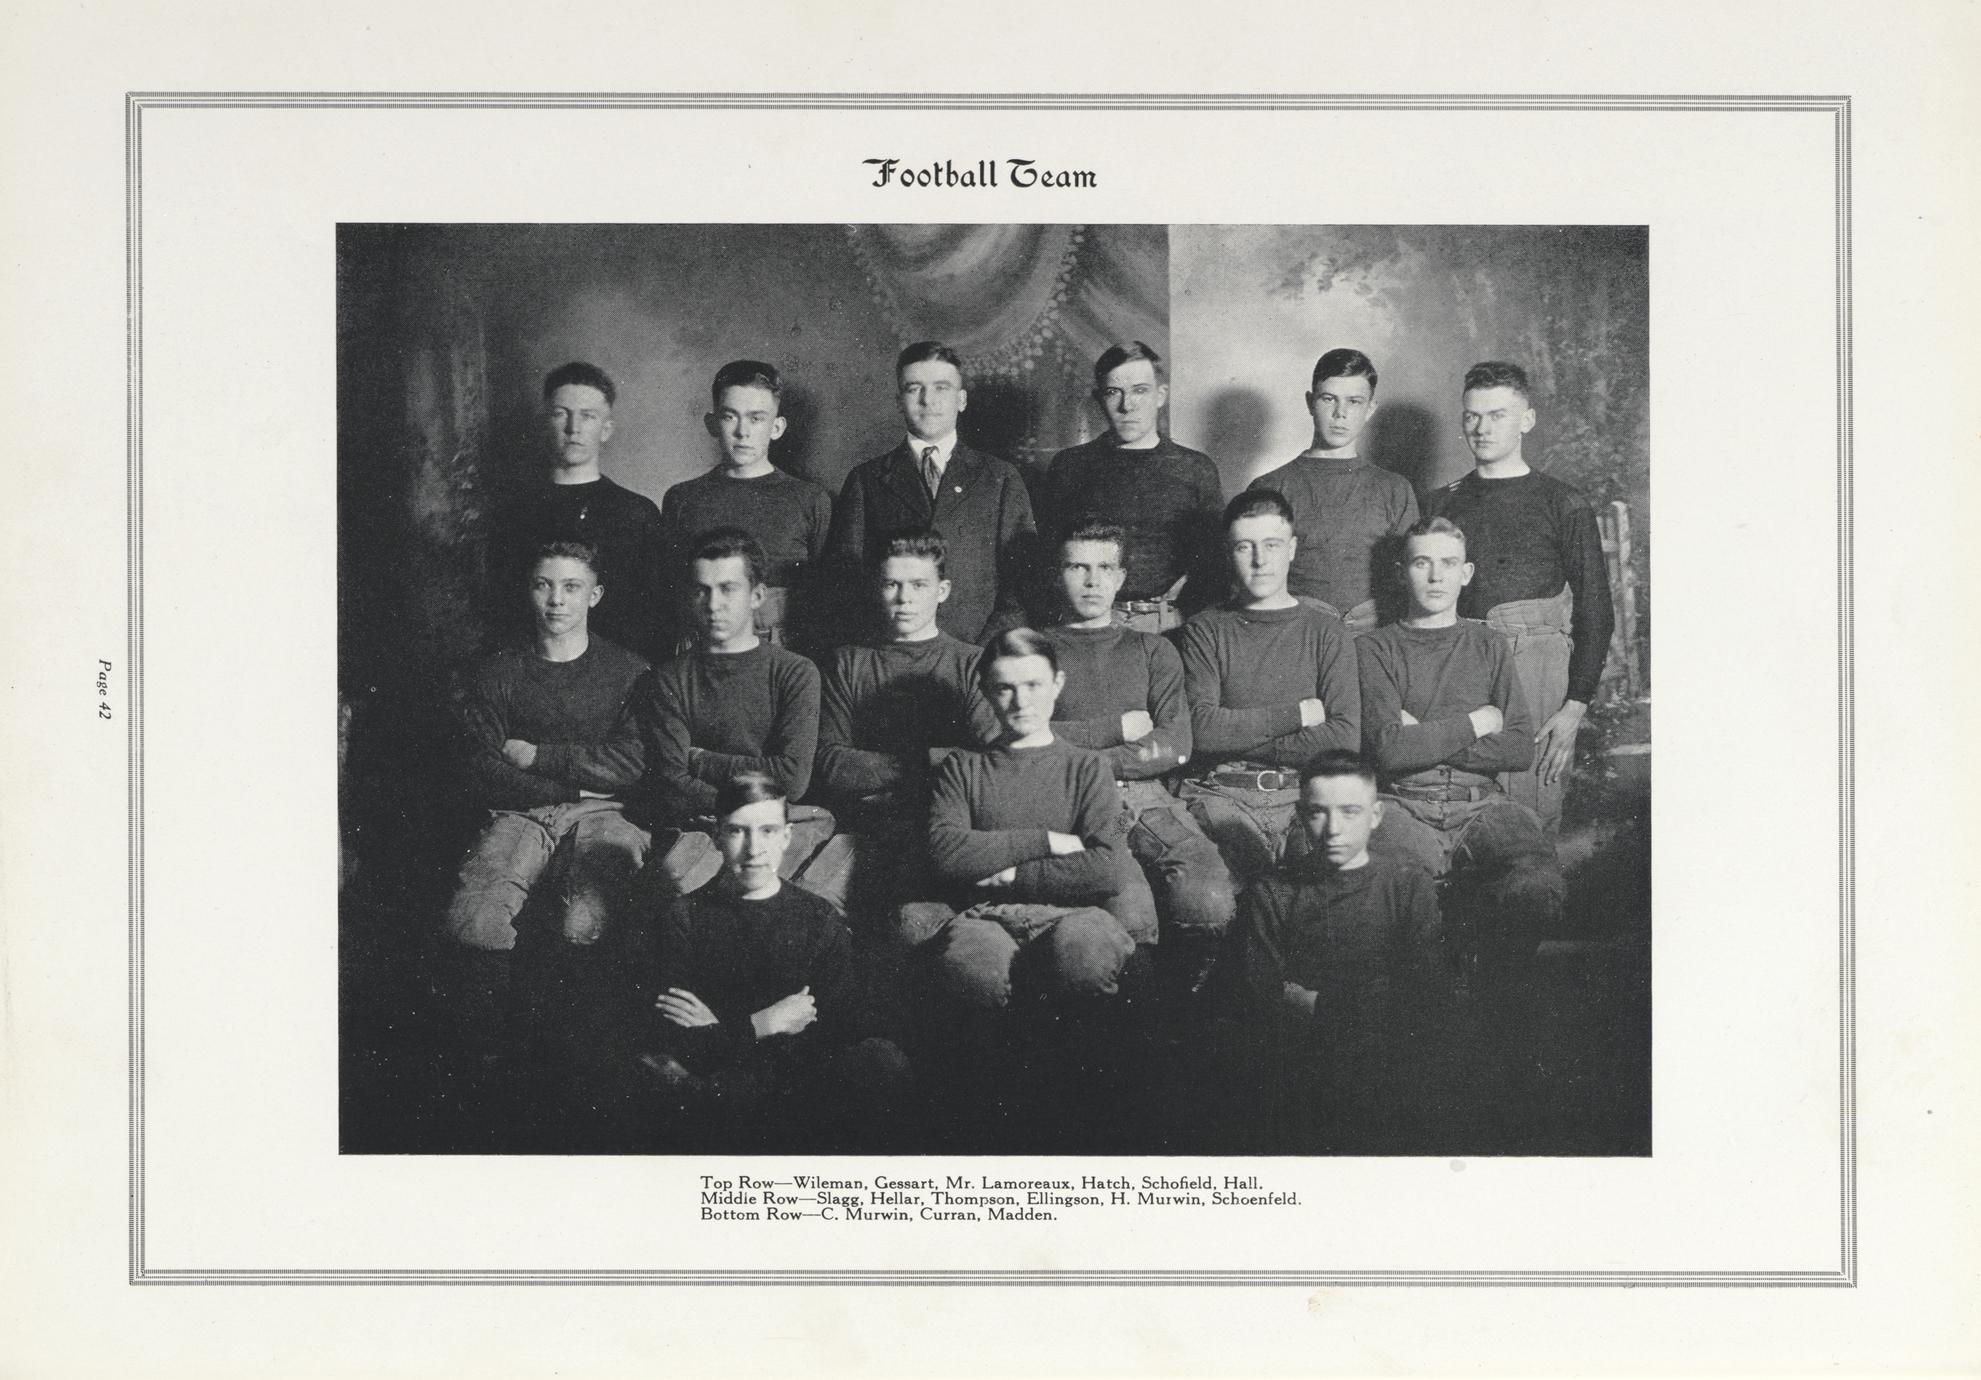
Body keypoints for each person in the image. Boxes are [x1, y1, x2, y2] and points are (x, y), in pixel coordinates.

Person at [632, 772, 910, 1152]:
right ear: (716, 836)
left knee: (880, 1062)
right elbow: (675, 1042)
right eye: (737, 831)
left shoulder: (817, 918)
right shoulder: (684, 917)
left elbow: (840, 1030)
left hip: (795, 1090)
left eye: (767, 831)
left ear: (786, 837)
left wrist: (720, 1031)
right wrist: (765, 1023)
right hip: (720, 1091)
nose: (754, 849)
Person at [1357, 516, 1566, 966]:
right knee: (1402, 896)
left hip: (1482, 803)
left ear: (1466, 573)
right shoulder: (1374, 648)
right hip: (1403, 802)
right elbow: (1390, 751)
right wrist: (1478, 721)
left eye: (1448, 563)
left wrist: (1421, 735)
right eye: (1422, 563)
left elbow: (1518, 748)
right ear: (1402, 572)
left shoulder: (1488, 643)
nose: (1436, 576)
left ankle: (1490, 991)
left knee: (1537, 884)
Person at [1042, 522, 1235, 993]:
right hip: (1073, 802)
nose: (1092, 581)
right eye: (1077, 567)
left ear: (1122, 577)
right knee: (1131, 914)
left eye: (1105, 568)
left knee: (1207, 896)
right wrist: (1115, 733)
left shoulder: (1152, 649)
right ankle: (1136, 1016)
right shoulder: (1032, 648)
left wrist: (1077, 752)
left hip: (1149, 799)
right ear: (1057, 574)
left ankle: (1182, 1009)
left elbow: (1176, 744)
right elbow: (1022, 742)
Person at [902, 629, 1140, 1009]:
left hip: (1076, 913)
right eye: (1005, 688)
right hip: (984, 915)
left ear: (1057, 684)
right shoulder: (962, 767)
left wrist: (1012, 874)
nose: (1021, 702)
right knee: (972, 971)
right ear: (985, 691)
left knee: (1085, 959)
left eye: (1033, 685)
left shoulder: (1090, 767)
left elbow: (1109, 865)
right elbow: (945, 853)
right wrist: (1048, 841)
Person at [1426, 361, 1615, 835]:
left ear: (1526, 420)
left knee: (1529, 821)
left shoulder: (1563, 503)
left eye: (1498, 415)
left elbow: (1596, 612)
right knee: (1448, 812)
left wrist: (1574, 708)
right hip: (1454, 672)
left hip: (1535, 679)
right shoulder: (1439, 504)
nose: (1482, 428)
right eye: (1473, 416)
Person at [1229, 752, 1446, 1152]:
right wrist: (1368, 1001)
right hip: (1301, 1075)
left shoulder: (1407, 884)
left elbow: (1424, 998)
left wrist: (1318, 1004)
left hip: (1388, 1073)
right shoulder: (1273, 892)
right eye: (1318, 813)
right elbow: (1261, 999)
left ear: (1375, 815)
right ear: (1300, 815)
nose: (1333, 829)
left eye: (1350, 812)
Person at [443, 541, 651, 956]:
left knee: (587, 924)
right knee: (474, 923)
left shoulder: (630, 671)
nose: (556, 600)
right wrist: (572, 792)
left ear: (595, 595)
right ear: (530, 590)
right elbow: (482, 769)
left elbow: (631, 762)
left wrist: (537, 756)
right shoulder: (497, 671)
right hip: (520, 811)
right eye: (544, 585)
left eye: (571, 587)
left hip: (606, 815)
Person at [803, 528, 1002, 917]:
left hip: (944, 830)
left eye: (918, 585)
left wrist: (884, 770)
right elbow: (829, 763)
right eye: (892, 584)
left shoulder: (971, 663)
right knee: (812, 907)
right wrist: (931, 762)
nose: (904, 598)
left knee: (915, 923)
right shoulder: (848, 662)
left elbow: (989, 763)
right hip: (863, 828)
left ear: (942, 590)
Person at [1174, 490, 1362, 881]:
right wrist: (1299, 715)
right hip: (1223, 795)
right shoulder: (1204, 630)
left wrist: (1238, 733)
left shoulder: (1326, 631)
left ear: (1291, 549)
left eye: (1272, 545)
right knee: (1214, 895)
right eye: (1245, 547)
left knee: (1331, 887)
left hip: (1304, 798)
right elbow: (1202, 730)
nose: (1260, 560)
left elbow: (1344, 739)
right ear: (1229, 553)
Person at [636, 528, 832, 897]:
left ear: (757, 595)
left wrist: (702, 760)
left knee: (794, 902)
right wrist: (747, 795)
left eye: (728, 589)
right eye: (702, 590)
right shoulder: (669, 678)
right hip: (701, 827)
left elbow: (792, 778)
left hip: (780, 825)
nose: (714, 604)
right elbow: (672, 783)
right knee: (678, 893)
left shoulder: (795, 672)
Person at [828, 341, 1036, 644]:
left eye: (941, 388)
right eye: (914, 389)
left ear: (961, 400)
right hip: (892, 650)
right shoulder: (866, 480)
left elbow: (1022, 584)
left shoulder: (1000, 478)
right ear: (899, 401)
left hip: (979, 651)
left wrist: (985, 652)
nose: (928, 400)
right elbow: (847, 581)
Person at [1041, 342, 1226, 631]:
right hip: (1090, 625)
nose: (1127, 406)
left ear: (1160, 395)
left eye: (1140, 390)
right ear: (1099, 399)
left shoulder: (1195, 468)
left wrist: (1182, 616)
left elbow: (1215, 565)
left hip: (1169, 627)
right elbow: (1048, 558)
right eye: (1114, 392)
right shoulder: (1070, 466)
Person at [492, 362, 667, 660]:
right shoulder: (514, 515)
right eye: (561, 414)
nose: (574, 428)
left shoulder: (637, 514)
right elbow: (502, 614)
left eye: (588, 416)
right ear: (546, 422)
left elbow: (656, 619)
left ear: (606, 429)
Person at [657, 360, 833, 648]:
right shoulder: (683, 498)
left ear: (777, 427)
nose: (742, 432)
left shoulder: (810, 499)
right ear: (712, 423)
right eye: (730, 417)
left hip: (783, 654)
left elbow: (824, 598)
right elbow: (673, 593)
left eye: (756, 418)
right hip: (705, 651)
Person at [1245, 348, 1418, 633]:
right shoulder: (1271, 487)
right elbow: (1250, 581)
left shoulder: (1395, 490)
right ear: (1310, 402)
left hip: (1375, 641)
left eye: (1354, 401)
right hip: (1296, 638)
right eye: (1329, 399)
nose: (1341, 414)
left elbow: (1411, 582)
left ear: (1370, 409)